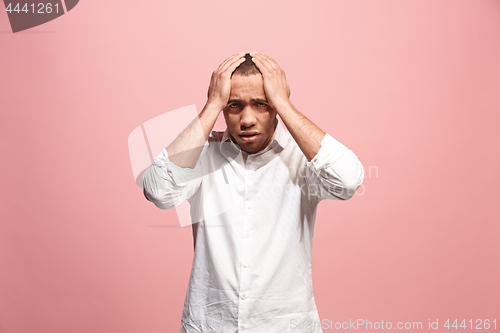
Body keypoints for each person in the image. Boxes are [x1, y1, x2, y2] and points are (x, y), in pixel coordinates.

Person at [142, 52, 364, 332]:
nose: (247, 119)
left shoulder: (304, 158)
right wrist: (211, 105)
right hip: (210, 326)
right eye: (234, 105)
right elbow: (158, 191)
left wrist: (283, 102)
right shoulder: (201, 155)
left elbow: (347, 182)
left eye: (261, 104)